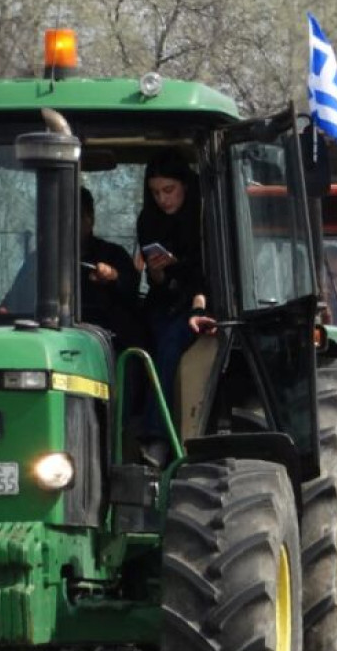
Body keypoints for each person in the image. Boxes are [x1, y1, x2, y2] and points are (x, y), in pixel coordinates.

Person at [2, 187, 142, 346]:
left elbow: (132, 292)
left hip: (105, 343)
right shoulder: (40, 259)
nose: (65, 227)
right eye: (59, 220)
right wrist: (3, 313)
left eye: (72, 219)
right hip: (48, 339)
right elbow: (13, 302)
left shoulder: (113, 255)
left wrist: (113, 277)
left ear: (90, 220)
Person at [134, 151, 208, 452]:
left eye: (169, 190)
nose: (163, 199)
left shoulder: (207, 217)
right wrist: (157, 271)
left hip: (201, 304)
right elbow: (158, 285)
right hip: (164, 300)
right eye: (155, 193)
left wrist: (198, 304)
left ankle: (157, 436)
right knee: (132, 340)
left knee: (167, 345)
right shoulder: (148, 220)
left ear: (186, 186)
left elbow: (210, 273)